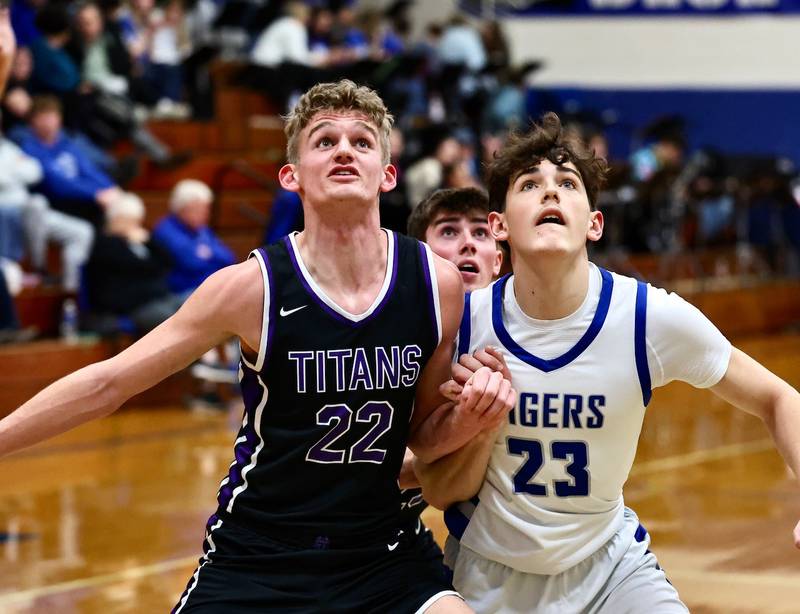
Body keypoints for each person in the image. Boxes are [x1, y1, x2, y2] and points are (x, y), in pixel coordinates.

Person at [0, 80, 514, 613]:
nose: (343, 149)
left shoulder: (436, 285)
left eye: (362, 142)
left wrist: (475, 416)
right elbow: (109, 383)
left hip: (385, 554)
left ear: (387, 175)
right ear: (291, 176)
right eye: (323, 141)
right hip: (259, 554)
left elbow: (424, 440)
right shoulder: (250, 287)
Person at [416, 113, 800, 613]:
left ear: (594, 223)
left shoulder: (646, 317)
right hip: (487, 573)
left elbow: (777, 397)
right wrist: (474, 424)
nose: (550, 193)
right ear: (499, 226)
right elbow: (436, 484)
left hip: (611, 569)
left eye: (568, 183)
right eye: (530, 184)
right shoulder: (462, 325)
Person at [85, 191, 183, 333]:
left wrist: (149, 241)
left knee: (194, 306)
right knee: (173, 321)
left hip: (158, 298)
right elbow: (146, 267)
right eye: (131, 221)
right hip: (133, 306)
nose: (136, 226)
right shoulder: (105, 245)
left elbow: (168, 261)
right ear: (116, 219)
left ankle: (208, 354)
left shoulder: (138, 240)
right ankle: (203, 355)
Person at [152, 179, 235, 295]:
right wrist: (211, 254)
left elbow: (228, 257)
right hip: (180, 292)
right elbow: (192, 262)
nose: (205, 214)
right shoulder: (166, 230)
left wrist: (208, 253)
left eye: (206, 209)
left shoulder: (202, 230)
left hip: (208, 287)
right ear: (181, 208)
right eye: (198, 209)